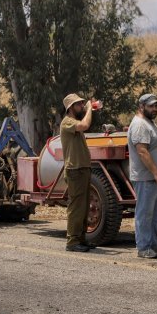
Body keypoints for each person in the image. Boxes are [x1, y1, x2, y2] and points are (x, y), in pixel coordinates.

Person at [127, 93, 157, 259]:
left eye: (156, 105)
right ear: (141, 107)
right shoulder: (139, 125)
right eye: (151, 106)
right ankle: (143, 247)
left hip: (154, 178)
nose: (155, 109)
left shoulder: (149, 122)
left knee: (156, 213)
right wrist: (156, 173)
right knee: (145, 213)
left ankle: (154, 244)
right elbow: (142, 152)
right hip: (146, 177)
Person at [59, 93, 94, 252]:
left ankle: (81, 238)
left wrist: (88, 108)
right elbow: (85, 125)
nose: (81, 106)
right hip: (75, 170)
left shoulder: (73, 121)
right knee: (76, 207)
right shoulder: (67, 122)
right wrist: (90, 109)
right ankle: (72, 241)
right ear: (71, 108)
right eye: (78, 104)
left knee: (84, 206)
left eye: (82, 104)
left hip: (82, 169)